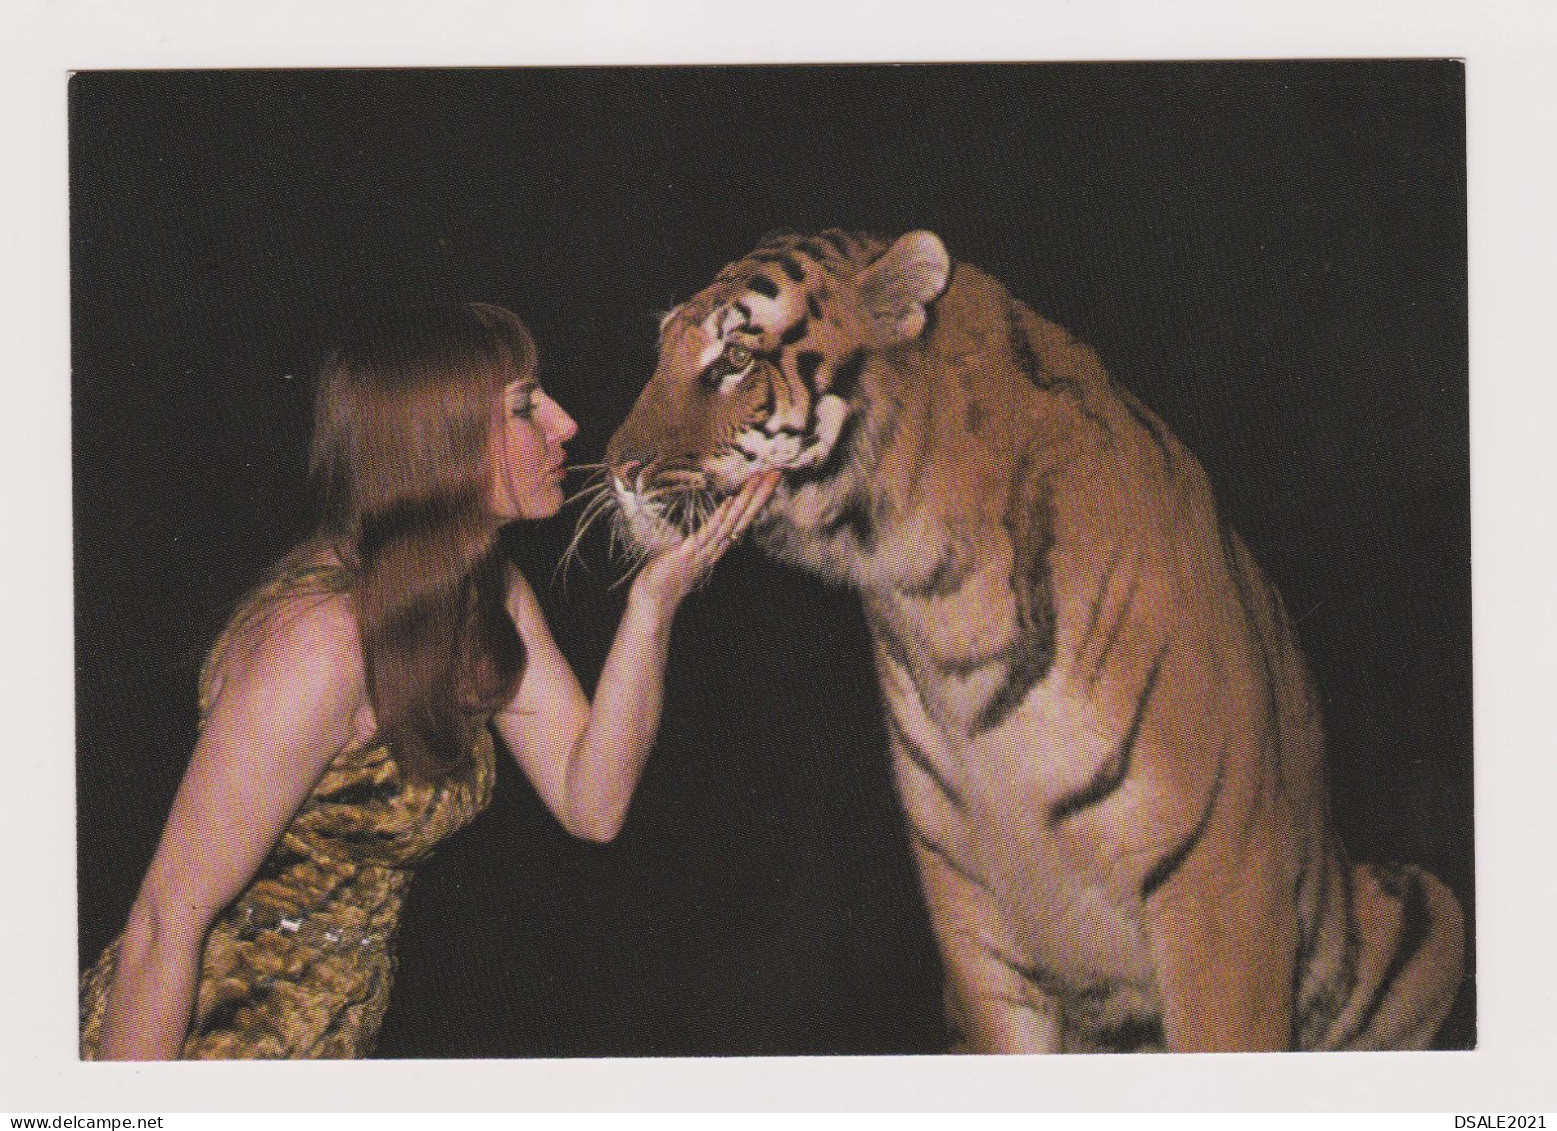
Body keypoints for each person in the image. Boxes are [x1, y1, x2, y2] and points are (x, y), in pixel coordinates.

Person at [79, 302, 778, 1059]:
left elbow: (593, 801)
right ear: (439, 444)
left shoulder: (489, 591)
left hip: (333, 1037)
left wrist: (653, 605)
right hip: (214, 1045)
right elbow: (161, 925)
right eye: (524, 406)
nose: (566, 423)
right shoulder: (325, 640)